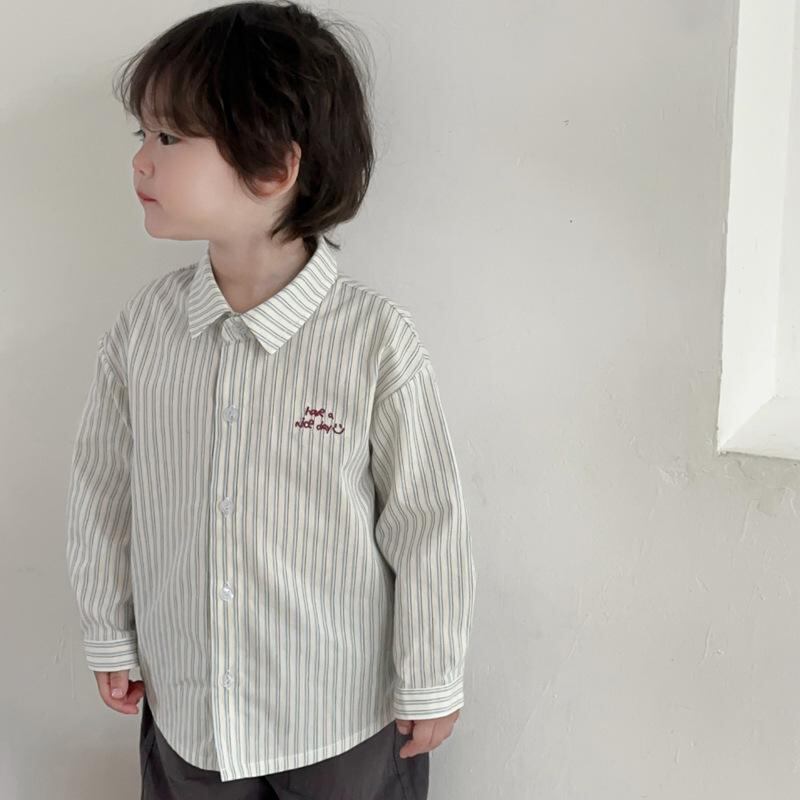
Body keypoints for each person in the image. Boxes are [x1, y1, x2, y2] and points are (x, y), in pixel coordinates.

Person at [65, 2, 477, 797]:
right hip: (192, 713)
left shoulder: (372, 340)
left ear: (272, 168)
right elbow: (103, 490)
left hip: (337, 718)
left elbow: (427, 519)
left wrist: (431, 674)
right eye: (143, 135)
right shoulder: (145, 332)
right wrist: (109, 629)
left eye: (169, 138)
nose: (140, 161)